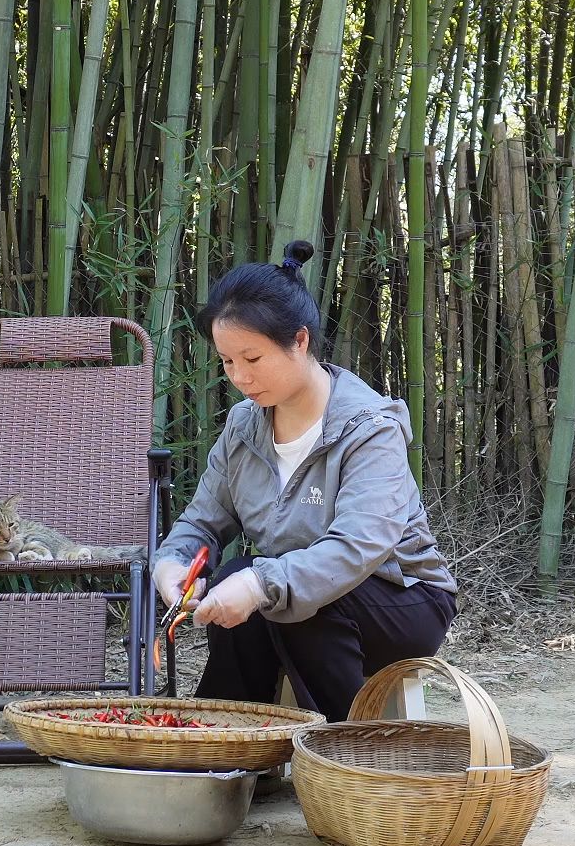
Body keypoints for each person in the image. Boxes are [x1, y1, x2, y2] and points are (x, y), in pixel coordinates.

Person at [151, 240, 458, 722]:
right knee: (239, 579)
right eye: (227, 362)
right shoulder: (243, 427)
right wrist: (171, 564)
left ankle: (344, 750)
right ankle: (233, 749)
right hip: (298, 595)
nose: (239, 376)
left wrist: (261, 583)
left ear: (299, 340)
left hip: (401, 599)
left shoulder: (368, 428)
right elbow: (202, 522)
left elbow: (358, 547)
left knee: (293, 600)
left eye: (252, 359)